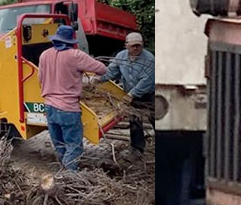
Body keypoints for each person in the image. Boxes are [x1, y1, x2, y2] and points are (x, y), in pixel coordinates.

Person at [38, 24, 108, 171]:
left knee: (60, 145)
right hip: (68, 108)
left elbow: (40, 79)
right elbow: (102, 69)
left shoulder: (44, 55)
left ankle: (63, 171)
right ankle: (70, 176)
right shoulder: (76, 55)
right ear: (71, 41)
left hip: (49, 106)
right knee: (74, 147)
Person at [104, 32, 155, 155]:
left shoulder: (149, 59)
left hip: (148, 94)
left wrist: (131, 95)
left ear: (142, 45)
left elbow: (147, 81)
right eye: (133, 46)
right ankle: (137, 149)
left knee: (154, 118)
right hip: (130, 95)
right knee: (134, 120)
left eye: (138, 45)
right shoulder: (121, 56)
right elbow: (111, 72)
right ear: (126, 45)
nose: (136, 48)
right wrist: (98, 79)